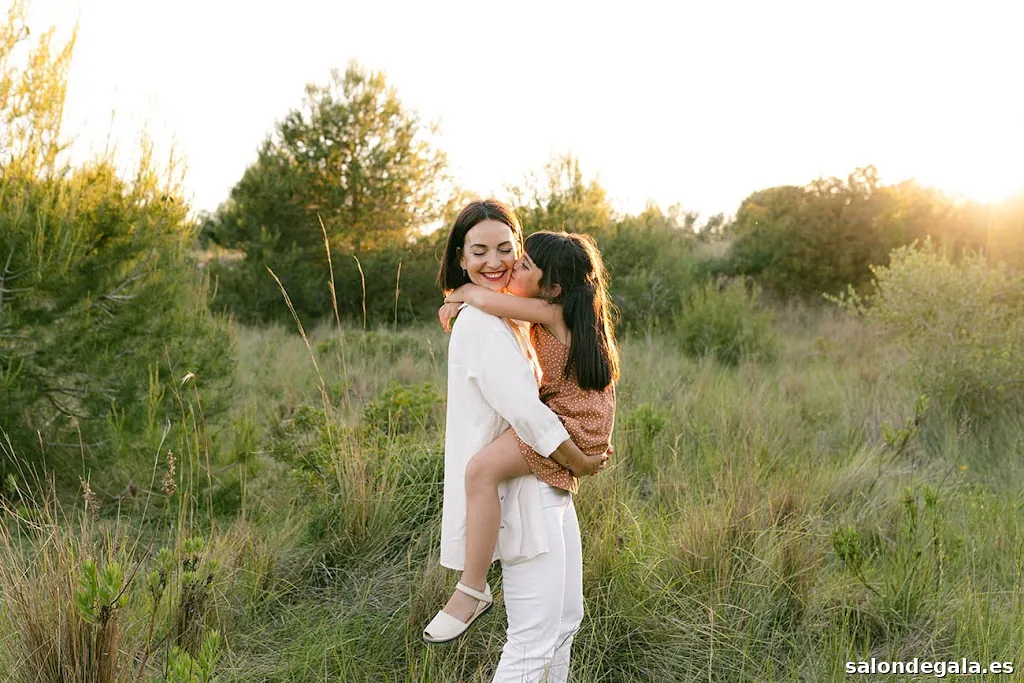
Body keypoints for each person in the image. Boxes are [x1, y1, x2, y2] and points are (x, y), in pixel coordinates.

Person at [423, 199, 616, 682]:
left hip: (549, 485)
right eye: (479, 252)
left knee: (564, 625)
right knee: (533, 642)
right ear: (460, 258)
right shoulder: (487, 322)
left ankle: (472, 588)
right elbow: (529, 414)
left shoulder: (522, 316)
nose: (497, 262)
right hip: (530, 491)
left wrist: (462, 293)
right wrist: (578, 457)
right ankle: (471, 587)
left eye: (509, 251)